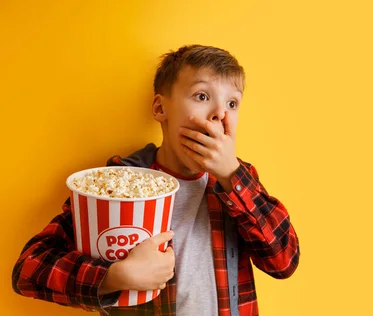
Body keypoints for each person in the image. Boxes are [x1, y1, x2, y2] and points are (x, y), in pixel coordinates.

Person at [12, 45, 300, 316]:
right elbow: (29, 269)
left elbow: (284, 262)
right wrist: (113, 277)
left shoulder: (240, 182)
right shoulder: (117, 184)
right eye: (202, 96)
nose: (219, 114)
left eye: (232, 103)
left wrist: (231, 175)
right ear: (161, 109)